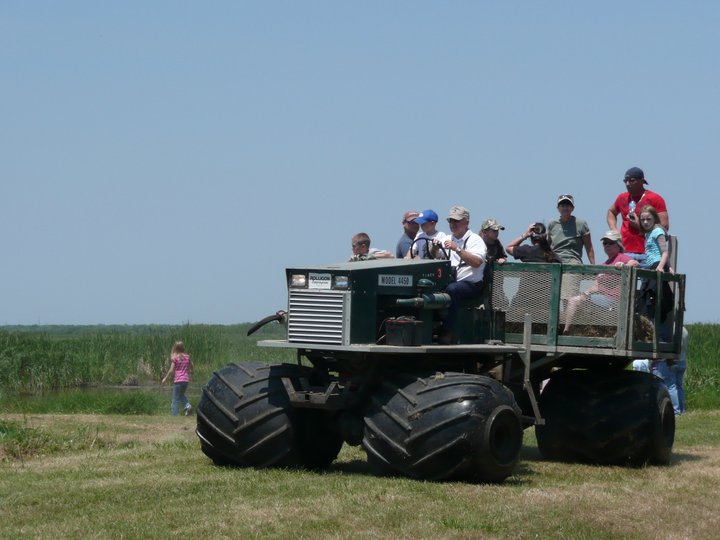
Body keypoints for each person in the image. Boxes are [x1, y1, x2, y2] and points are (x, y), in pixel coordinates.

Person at [562, 230, 639, 334]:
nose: (607, 245)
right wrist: (585, 294)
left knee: (575, 301)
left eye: (611, 243)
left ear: (618, 244)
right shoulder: (604, 264)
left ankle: (566, 331)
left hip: (615, 300)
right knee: (574, 300)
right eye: (605, 243)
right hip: (601, 299)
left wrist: (624, 266)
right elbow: (596, 286)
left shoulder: (621, 257)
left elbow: (635, 263)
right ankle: (571, 331)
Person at [432, 206, 487, 344]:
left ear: (466, 222)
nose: (453, 224)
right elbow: (433, 256)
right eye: (451, 221)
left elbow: (476, 262)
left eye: (456, 221)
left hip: (472, 285)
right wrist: (434, 247)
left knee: (453, 289)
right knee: (428, 288)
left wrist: (457, 249)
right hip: (450, 282)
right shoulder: (446, 239)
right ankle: (430, 328)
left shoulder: (475, 240)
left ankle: (448, 332)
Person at [607, 166, 669, 263]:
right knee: (623, 278)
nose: (628, 184)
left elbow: (664, 227)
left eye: (632, 180)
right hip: (625, 250)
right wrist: (614, 230)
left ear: (642, 181)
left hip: (648, 252)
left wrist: (640, 225)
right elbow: (611, 212)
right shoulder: (622, 197)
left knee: (647, 278)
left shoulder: (655, 198)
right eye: (625, 181)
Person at [548, 194, 596, 265]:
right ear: (558, 208)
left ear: (572, 208)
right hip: (554, 262)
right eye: (562, 205)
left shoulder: (581, 224)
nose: (565, 208)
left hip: (572, 262)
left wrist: (593, 266)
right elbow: (547, 245)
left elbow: (589, 246)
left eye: (567, 205)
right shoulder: (552, 224)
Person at [652, 326, 688, 415]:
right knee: (679, 386)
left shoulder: (669, 329)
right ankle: (682, 410)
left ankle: (676, 411)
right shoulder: (684, 330)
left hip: (670, 361)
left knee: (671, 386)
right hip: (682, 360)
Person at [161, 341, 194, 416]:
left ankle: (174, 414)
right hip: (186, 380)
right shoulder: (187, 357)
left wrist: (165, 378)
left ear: (175, 348)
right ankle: (187, 406)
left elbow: (171, 370)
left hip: (178, 380)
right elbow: (192, 366)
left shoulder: (175, 358)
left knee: (175, 399)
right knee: (181, 395)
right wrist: (192, 373)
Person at [638, 205, 673, 272]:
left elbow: (665, 252)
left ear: (655, 219)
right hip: (651, 265)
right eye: (642, 220)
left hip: (658, 264)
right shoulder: (647, 234)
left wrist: (662, 267)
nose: (645, 222)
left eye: (648, 219)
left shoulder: (658, 231)